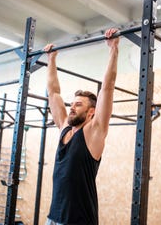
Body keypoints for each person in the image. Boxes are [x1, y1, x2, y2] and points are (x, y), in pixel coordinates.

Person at [43, 28, 120, 225]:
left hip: (79, 221)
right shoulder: (64, 128)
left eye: (79, 105)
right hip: (54, 217)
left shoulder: (94, 133)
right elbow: (53, 93)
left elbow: (108, 87)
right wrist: (51, 60)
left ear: (91, 112)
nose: (72, 108)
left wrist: (113, 48)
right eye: (72, 104)